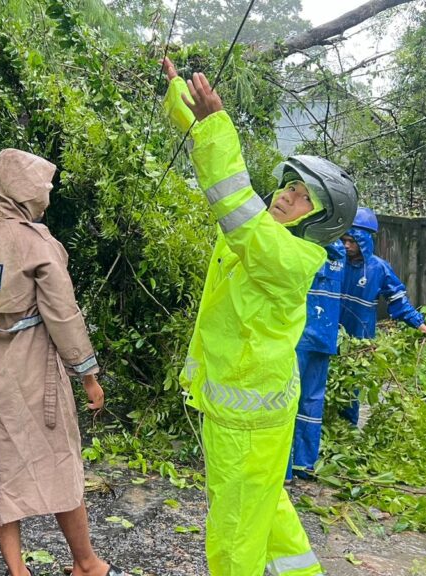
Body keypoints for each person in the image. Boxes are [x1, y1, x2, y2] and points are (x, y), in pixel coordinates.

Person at [162, 58, 358, 575]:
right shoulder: (269, 238)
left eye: (303, 198)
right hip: (252, 412)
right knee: (264, 507)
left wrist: (215, 123)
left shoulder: (288, 256)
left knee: (234, 534)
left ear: (320, 222)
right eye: (290, 187)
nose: (287, 197)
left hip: (245, 420)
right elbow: (229, 183)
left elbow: (231, 197)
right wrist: (185, 100)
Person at [0, 148, 129, 576]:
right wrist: (88, 375)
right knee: (60, 466)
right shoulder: (37, 244)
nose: (47, 196)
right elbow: (63, 316)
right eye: (43, 187)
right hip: (32, 377)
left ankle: (18, 571)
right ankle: (86, 563)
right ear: (25, 191)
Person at [339, 207, 426, 425]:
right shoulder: (333, 263)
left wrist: (420, 325)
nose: (346, 245)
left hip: (359, 341)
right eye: (344, 240)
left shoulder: (379, 269)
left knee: (350, 386)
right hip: (329, 335)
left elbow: (398, 301)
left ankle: (346, 429)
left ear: (365, 241)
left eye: (352, 241)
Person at [287, 239, 346, 483]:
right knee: (312, 400)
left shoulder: (301, 245)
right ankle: (304, 464)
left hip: (298, 337)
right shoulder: (339, 254)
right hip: (324, 338)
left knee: (287, 400)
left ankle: (284, 468)